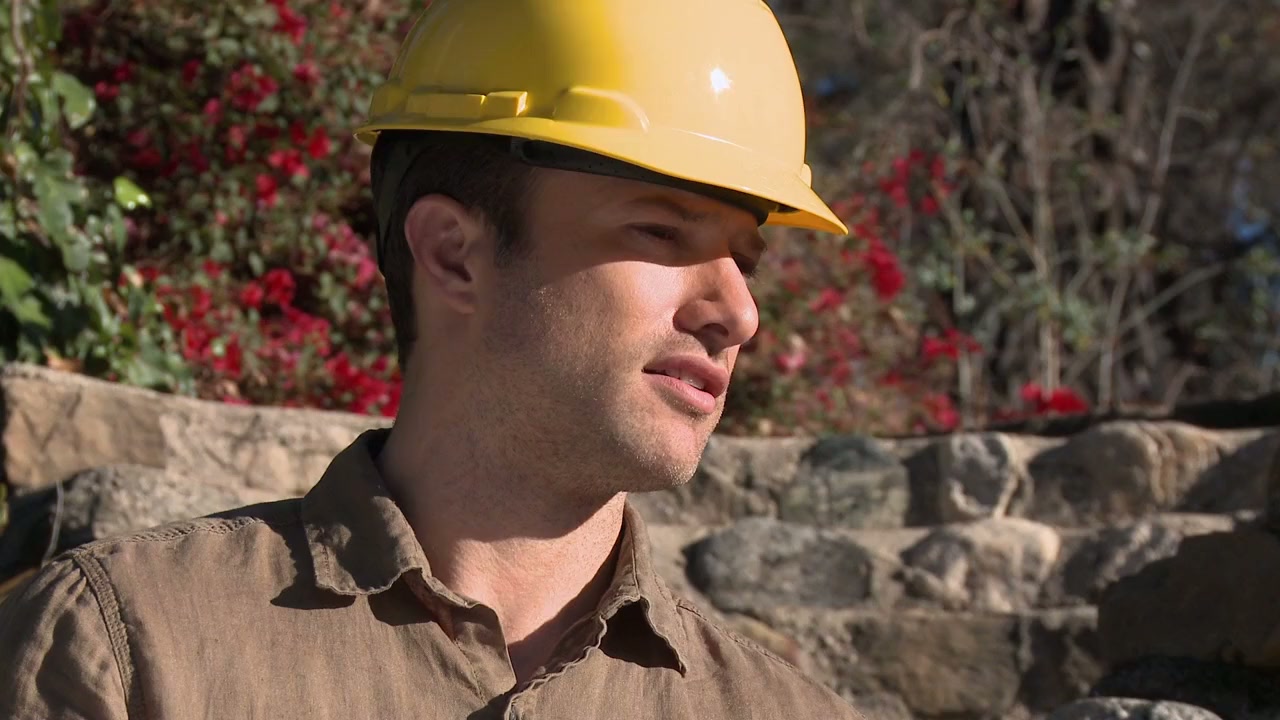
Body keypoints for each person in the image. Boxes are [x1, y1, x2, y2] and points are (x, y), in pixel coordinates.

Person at [0, 0, 864, 717]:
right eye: (661, 232)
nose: (738, 313)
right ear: (453, 254)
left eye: (744, 260)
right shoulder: (133, 652)